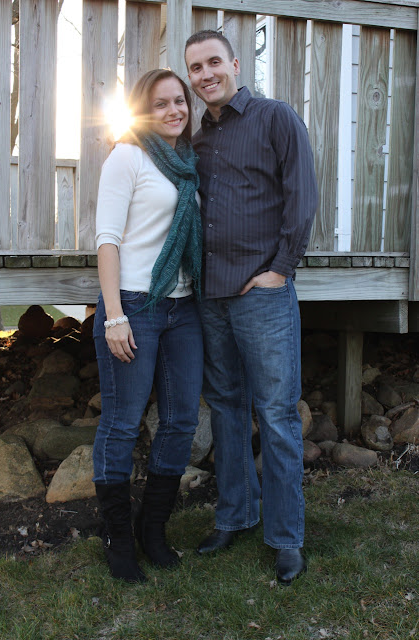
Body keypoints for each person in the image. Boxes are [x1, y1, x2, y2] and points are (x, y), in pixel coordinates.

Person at [184, 30, 318, 585]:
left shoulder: (274, 118)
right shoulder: (198, 139)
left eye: (213, 62)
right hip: (212, 296)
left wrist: (280, 269)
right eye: (195, 68)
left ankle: (286, 538)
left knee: (278, 417)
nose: (205, 74)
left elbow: (302, 196)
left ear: (235, 64)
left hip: (262, 295)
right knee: (227, 409)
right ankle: (235, 515)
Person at [93, 69, 203, 583]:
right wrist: (114, 315)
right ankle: (118, 539)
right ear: (142, 110)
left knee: (181, 420)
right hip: (136, 304)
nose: (174, 111)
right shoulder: (128, 156)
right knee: (122, 421)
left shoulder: (189, 164)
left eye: (179, 101)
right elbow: (107, 239)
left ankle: (152, 529)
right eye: (160, 104)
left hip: (184, 307)